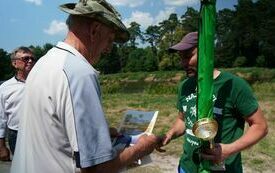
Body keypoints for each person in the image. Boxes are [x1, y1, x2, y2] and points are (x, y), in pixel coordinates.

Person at [11, 0, 160, 173]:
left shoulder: (44, 63)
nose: (108, 49)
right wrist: (141, 148)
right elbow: (97, 169)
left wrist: (99, 136)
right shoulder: (80, 73)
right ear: (95, 30)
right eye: (110, 40)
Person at [158, 32, 268, 173]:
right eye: (181, 58)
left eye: (188, 56)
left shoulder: (233, 85)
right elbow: (183, 120)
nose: (183, 63)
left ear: (206, 53)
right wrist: (170, 134)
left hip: (223, 168)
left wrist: (228, 150)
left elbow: (261, 126)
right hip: (187, 167)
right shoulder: (185, 86)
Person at [0, 47, 35, 161]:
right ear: (15, 63)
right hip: (16, 135)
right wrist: (1, 146)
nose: (30, 61)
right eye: (26, 58)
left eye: (32, 58)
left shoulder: (43, 82)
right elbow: (1, 118)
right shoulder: (5, 88)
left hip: (40, 133)